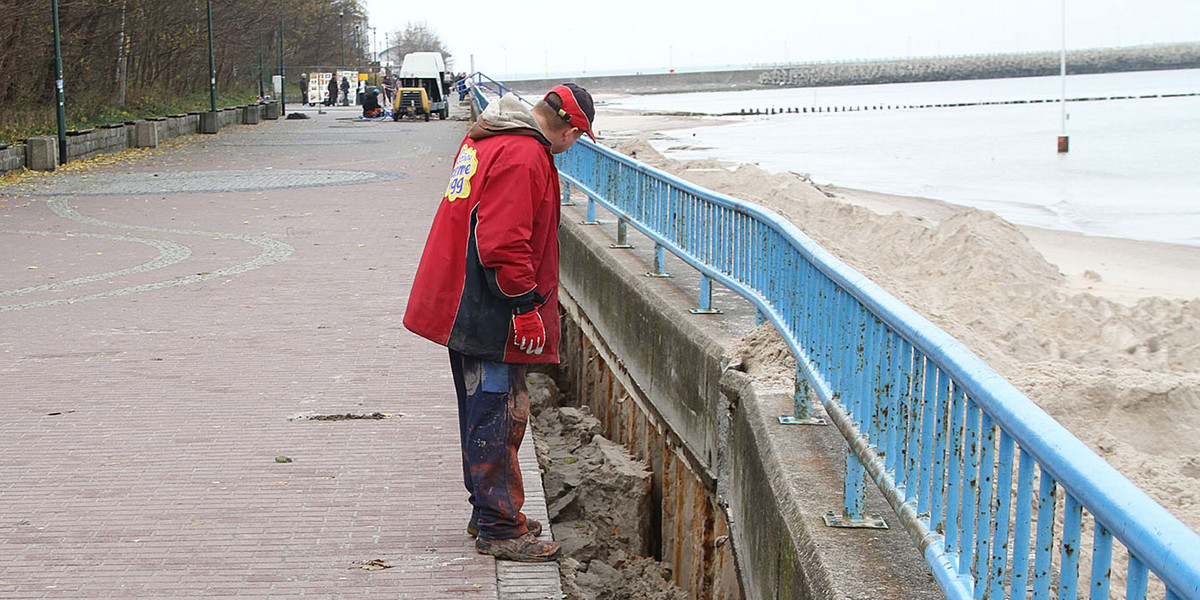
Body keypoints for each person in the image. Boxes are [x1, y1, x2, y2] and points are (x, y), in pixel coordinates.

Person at [403, 84, 595, 563]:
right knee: (500, 412)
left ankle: (487, 511)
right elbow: (504, 242)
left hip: (461, 300)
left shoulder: (487, 138)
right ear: (569, 128)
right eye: (579, 137)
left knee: (479, 409)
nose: (573, 147)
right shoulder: (524, 155)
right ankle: (500, 528)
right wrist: (524, 306)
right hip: (489, 310)